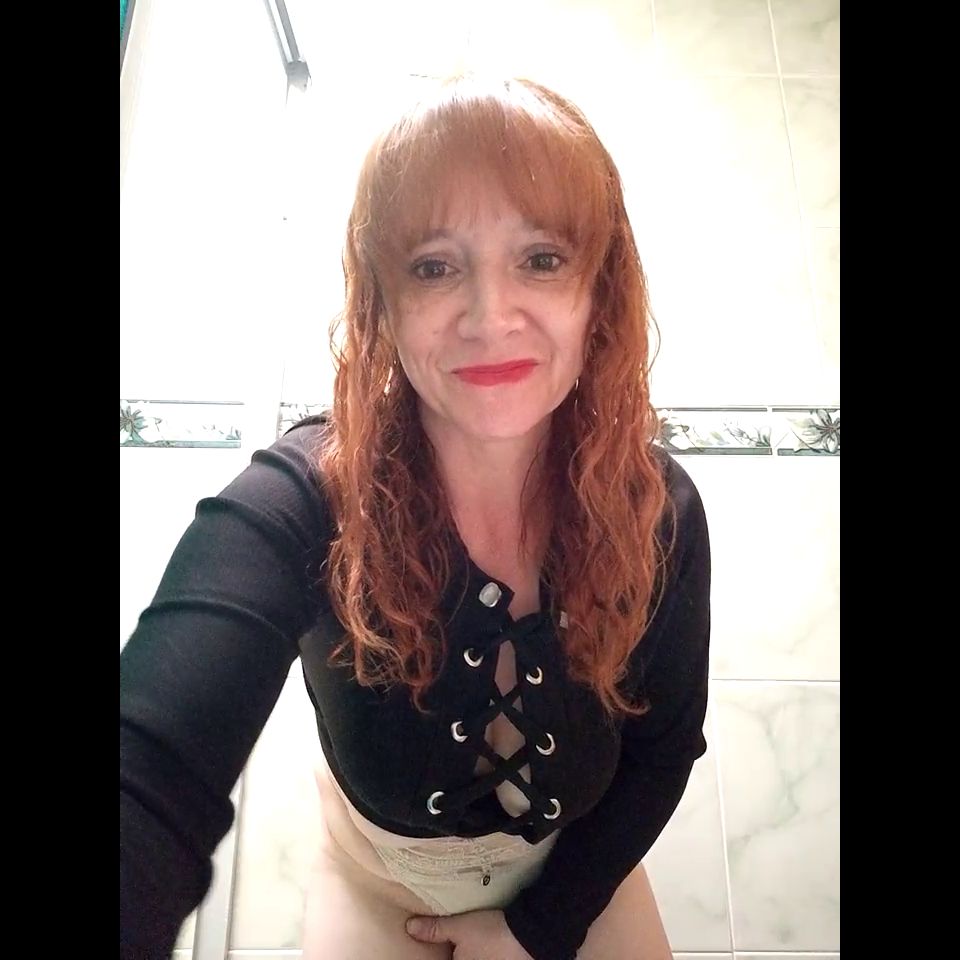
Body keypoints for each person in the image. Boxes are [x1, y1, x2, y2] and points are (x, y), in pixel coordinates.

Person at [119, 73, 711, 960]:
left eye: (541, 259)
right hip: (380, 884)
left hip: (577, 879)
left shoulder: (657, 511)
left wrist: (541, 927)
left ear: (599, 293)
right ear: (383, 302)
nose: (490, 315)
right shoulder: (307, 498)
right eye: (434, 266)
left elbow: (662, 752)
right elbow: (149, 765)